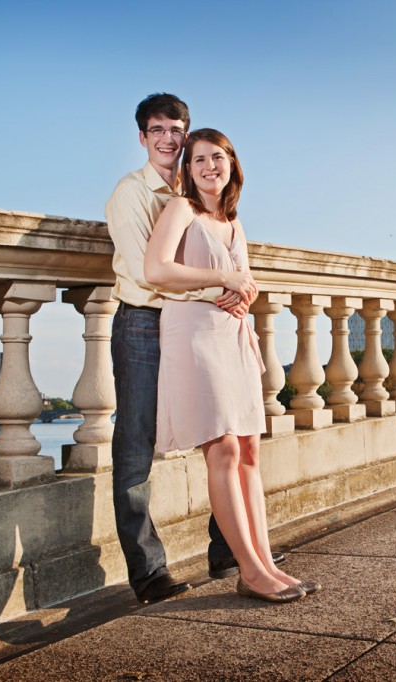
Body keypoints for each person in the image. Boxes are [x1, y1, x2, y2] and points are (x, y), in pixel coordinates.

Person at [105, 94, 282, 605]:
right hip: (144, 323)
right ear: (142, 138)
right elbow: (146, 273)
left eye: (175, 129)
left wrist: (234, 290)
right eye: (156, 130)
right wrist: (219, 287)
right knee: (136, 448)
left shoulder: (202, 195)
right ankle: (149, 572)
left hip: (198, 327)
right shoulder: (131, 194)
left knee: (226, 436)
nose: (167, 138)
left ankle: (232, 551)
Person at [145, 129, 321, 603]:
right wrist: (225, 276)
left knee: (249, 452)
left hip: (233, 336)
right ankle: (250, 570)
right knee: (221, 449)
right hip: (195, 336)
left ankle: (264, 564)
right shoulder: (182, 209)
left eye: (216, 157)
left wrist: (249, 290)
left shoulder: (234, 220)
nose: (208, 167)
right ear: (188, 169)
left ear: (231, 163)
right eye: (198, 159)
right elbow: (156, 270)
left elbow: (243, 276)